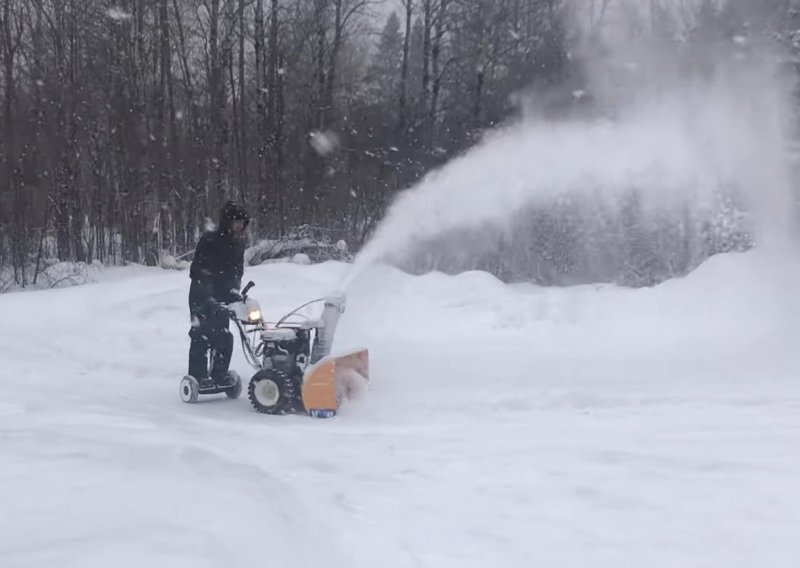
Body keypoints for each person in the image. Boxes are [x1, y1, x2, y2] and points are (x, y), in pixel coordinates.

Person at [187, 201, 250, 388]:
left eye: (242, 223)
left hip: (222, 300)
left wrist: (234, 292)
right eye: (236, 223)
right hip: (201, 296)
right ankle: (198, 376)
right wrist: (209, 295)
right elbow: (198, 270)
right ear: (227, 223)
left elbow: (237, 272)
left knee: (224, 336)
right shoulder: (209, 241)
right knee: (202, 335)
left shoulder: (237, 244)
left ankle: (219, 374)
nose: (239, 227)